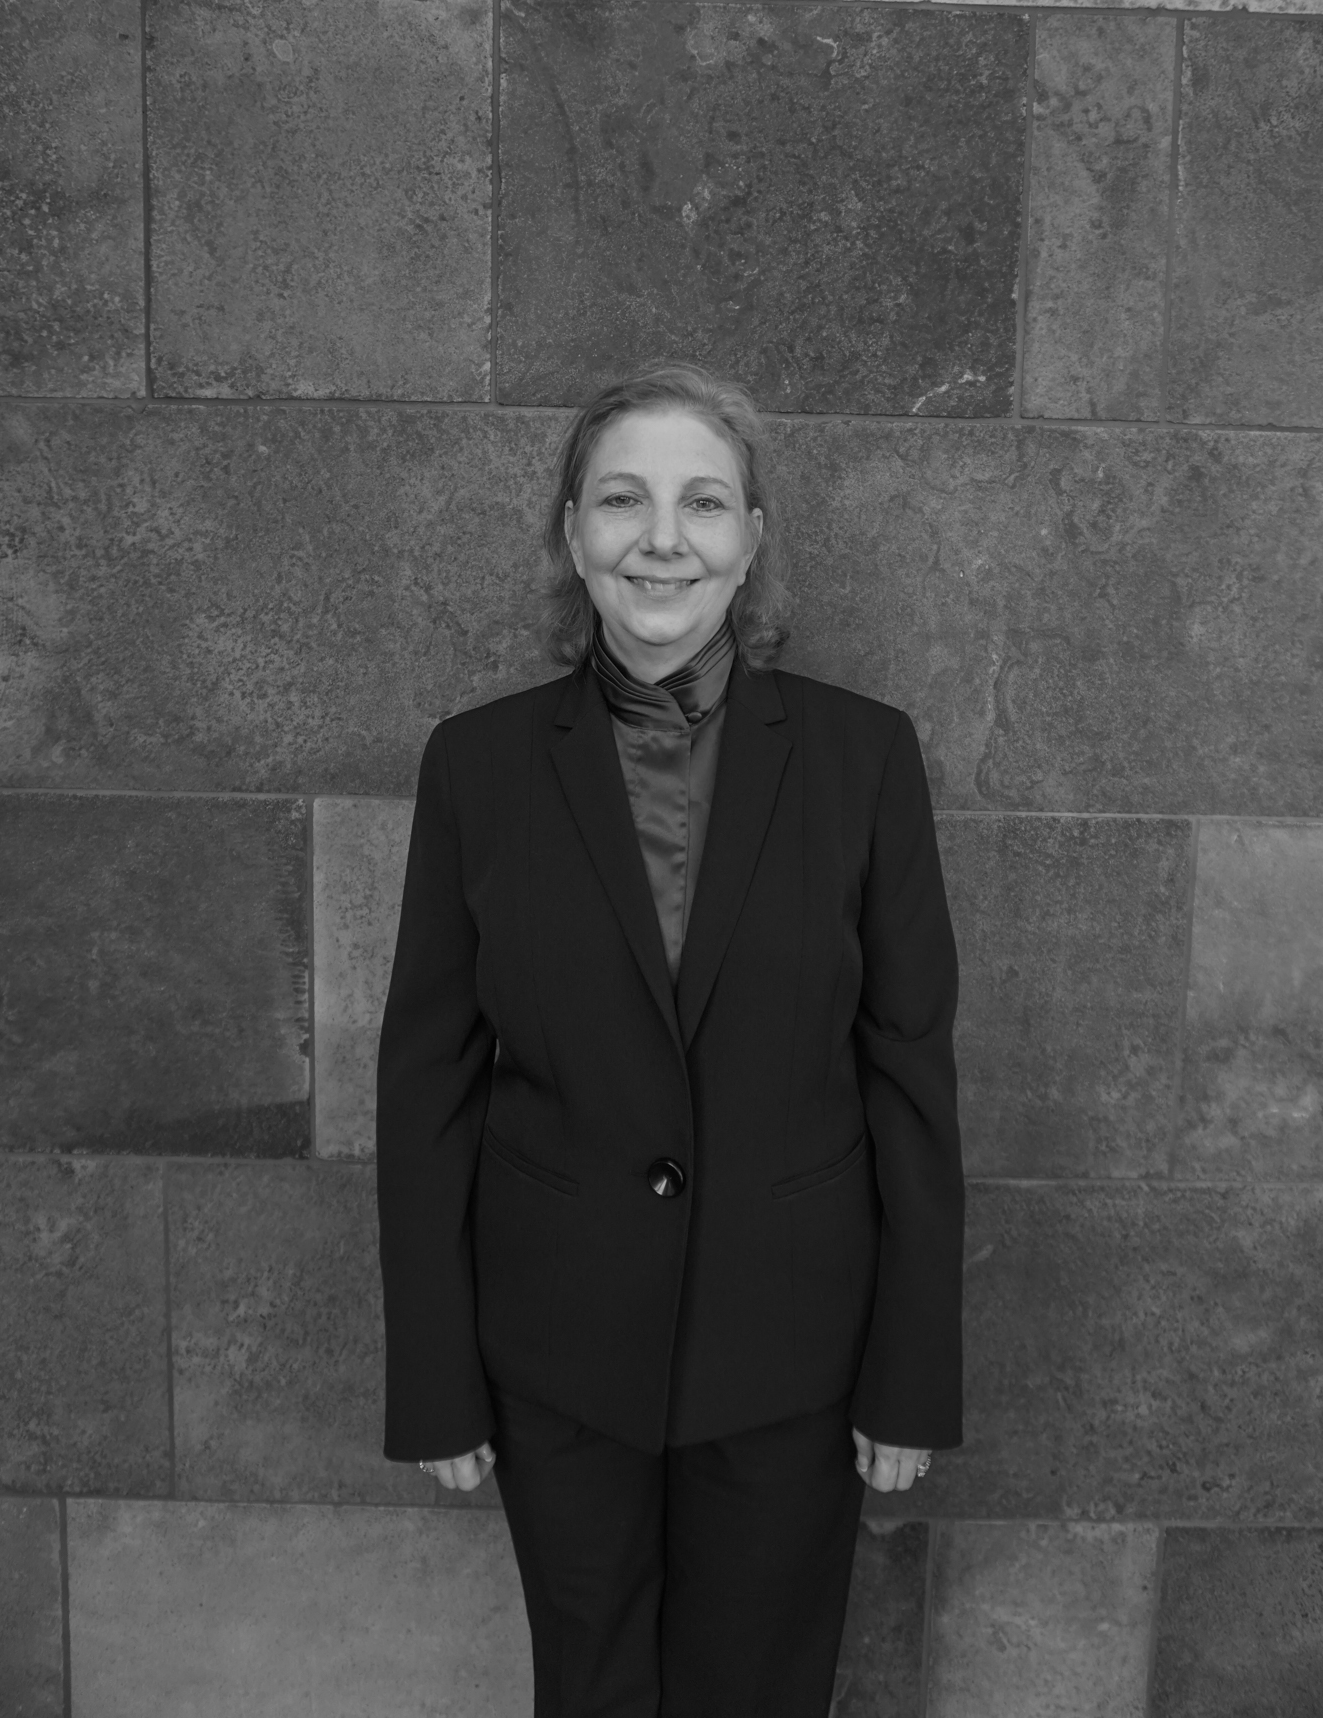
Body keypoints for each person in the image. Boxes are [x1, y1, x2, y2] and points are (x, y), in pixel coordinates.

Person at [376, 364, 963, 1718]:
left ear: (751, 536)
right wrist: (436, 1384)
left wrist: (910, 1373)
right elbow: (426, 1089)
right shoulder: (473, 766)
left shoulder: (862, 759)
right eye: (622, 499)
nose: (662, 537)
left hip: (794, 1354)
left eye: (703, 502)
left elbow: (908, 1072)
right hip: (555, 1355)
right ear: (571, 531)